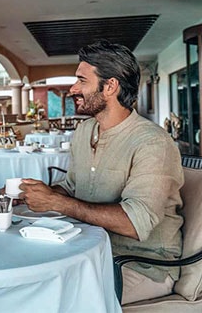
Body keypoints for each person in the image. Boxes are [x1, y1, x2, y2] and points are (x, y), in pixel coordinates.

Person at [20, 40, 184, 305]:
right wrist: (44, 193)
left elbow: (135, 222)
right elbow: (72, 188)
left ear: (110, 86)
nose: (73, 89)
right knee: (27, 284)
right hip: (86, 254)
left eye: (81, 80)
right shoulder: (84, 131)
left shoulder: (152, 142)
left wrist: (57, 202)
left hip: (141, 265)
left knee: (49, 298)